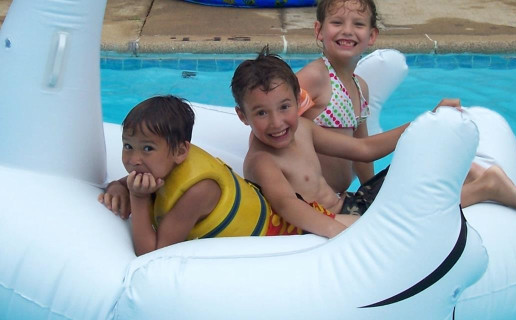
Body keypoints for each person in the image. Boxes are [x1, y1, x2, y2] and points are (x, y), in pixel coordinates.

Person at [297, 0, 516, 212]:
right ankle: (487, 187)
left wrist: (371, 187)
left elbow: (363, 149)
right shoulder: (313, 78)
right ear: (319, 30)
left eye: (358, 24)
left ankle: (510, 188)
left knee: (433, 159)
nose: (348, 31)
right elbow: (277, 125)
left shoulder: (359, 87)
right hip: (319, 202)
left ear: (372, 36)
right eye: (337, 23)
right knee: (414, 205)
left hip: (343, 196)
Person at [231, 48, 461, 237]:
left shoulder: (303, 129)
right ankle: (482, 189)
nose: (277, 122)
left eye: (284, 107)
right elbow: (286, 204)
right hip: (334, 221)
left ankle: (478, 183)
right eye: (261, 113)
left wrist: (427, 120)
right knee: (416, 200)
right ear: (242, 116)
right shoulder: (262, 160)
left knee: (421, 173)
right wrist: (341, 232)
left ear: (298, 100)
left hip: (350, 202)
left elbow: (364, 149)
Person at [98, 95, 353, 255]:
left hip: (284, 234)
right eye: (128, 146)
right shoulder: (163, 163)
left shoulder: (198, 191)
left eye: (147, 149)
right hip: (275, 215)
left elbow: (152, 256)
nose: (133, 159)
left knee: (357, 229)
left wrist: (139, 200)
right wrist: (118, 187)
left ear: (180, 151)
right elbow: (130, 181)